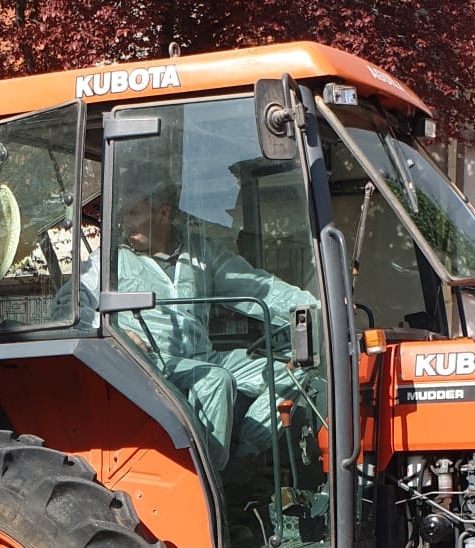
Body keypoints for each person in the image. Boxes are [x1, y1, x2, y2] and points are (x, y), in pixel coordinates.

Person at [108, 166, 322, 478]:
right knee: (214, 380)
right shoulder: (110, 261)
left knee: (297, 366)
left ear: (163, 213)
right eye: (124, 214)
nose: (125, 223)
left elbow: (258, 287)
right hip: (150, 364)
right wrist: (123, 334)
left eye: (132, 213)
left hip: (201, 355)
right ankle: (210, 483)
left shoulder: (201, 254)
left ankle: (245, 450)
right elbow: (71, 305)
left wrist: (318, 307)